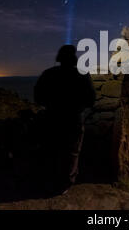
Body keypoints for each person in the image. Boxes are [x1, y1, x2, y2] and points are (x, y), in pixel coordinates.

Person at [34, 45, 95, 194]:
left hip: (52, 117)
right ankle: (65, 183)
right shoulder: (82, 74)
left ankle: (50, 179)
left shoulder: (48, 74)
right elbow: (91, 99)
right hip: (73, 118)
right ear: (74, 59)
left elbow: (38, 97)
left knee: (52, 148)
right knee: (72, 152)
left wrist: (51, 104)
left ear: (59, 58)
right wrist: (78, 107)